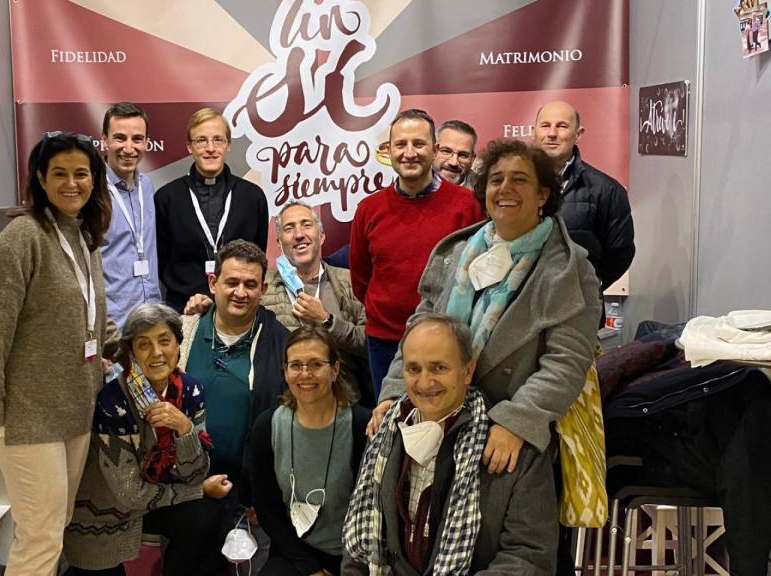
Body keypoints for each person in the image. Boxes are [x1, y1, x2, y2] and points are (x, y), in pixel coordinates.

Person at [369, 139, 600, 574]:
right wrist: (394, 391)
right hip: (445, 421)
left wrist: (516, 421)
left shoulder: (570, 269)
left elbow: (566, 363)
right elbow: (419, 330)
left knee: (508, 550)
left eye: (519, 180)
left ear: (543, 194)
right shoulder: (459, 251)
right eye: (496, 179)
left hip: (507, 437)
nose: (505, 188)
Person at [0, 131, 119, 576]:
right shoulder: (21, 238)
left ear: (95, 180)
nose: (72, 184)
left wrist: (123, 346)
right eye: (60, 174)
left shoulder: (84, 237)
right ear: (41, 180)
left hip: (73, 405)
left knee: (54, 526)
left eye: (81, 174)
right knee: (41, 533)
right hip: (26, 413)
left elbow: (91, 316)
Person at [343, 313, 559, 575]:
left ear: (468, 371)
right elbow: (356, 551)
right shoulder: (383, 433)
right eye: (413, 369)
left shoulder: (517, 449)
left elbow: (529, 557)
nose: (424, 382)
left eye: (439, 367)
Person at [63, 303, 220, 576]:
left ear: (178, 344)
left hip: (155, 500)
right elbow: (130, 493)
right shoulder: (113, 402)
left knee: (204, 518)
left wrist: (185, 429)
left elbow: (196, 473)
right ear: (132, 352)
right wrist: (198, 490)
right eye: (144, 344)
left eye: (164, 340)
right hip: (106, 512)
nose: (157, 353)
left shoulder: (192, 391)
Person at [350, 109, 483, 397]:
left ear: (434, 150)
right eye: (401, 144)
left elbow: (479, 273)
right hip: (384, 341)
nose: (409, 153)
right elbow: (361, 278)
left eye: (419, 144)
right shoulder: (368, 209)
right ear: (388, 150)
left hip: (446, 341)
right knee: (389, 425)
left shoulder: (468, 205)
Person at [186, 201, 371, 406]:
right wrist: (204, 306)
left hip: (343, 404)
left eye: (306, 225)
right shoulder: (259, 287)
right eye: (289, 228)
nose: (299, 234)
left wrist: (327, 321)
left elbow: (370, 343)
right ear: (279, 242)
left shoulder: (350, 282)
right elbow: (232, 311)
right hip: (280, 406)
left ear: (322, 235)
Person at [179, 239, 290, 570]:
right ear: (213, 283)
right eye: (232, 282)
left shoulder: (281, 343)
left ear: (263, 289)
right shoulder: (184, 331)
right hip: (187, 491)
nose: (240, 292)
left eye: (250, 284)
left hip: (248, 500)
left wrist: (265, 490)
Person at [250, 326, 371, 575]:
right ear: (285, 372)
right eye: (296, 365)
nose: (305, 374)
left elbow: (368, 512)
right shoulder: (267, 426)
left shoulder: (362, 425)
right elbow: (268, 509)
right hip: (294, 551)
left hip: (353, 554)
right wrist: (310, 569)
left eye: (316, 364)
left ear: (335, 370)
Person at [156, 108, 270, 312]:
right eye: (201, 140)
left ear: (228, 145)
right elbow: (162, 260)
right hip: (183, 308)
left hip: (238, 306)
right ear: (189, 147)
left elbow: (257, 257)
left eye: (218, 140)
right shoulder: (167, 198)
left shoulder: (253, 197)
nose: (211, 148)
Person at [533, 100, 634, 294]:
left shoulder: (606, 190)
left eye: (562, 126)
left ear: (578, 134)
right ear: (534, 131)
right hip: (519, 305)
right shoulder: (513, 185)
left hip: (579, 306)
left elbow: (620, 253)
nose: (552, 133)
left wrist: (586, 286)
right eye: (545, 125)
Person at [99, 102, 161, 326]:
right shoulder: (91, 192)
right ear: (104, 139)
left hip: (152, 319)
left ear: (146, 142)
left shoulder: (147, 186)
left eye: (137, 139)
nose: (128, 148)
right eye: (119, 138)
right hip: (113, 325)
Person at [434, 119, 478, 188]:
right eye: (446, 151)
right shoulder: (415, 182)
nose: (453, 163)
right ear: (433, 151)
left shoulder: (484, 191)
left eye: (463, 155)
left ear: (472, 159)